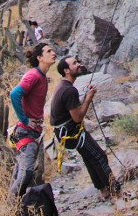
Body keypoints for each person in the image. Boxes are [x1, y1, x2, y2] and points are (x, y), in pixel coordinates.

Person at [50, 57, 121, 200]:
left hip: (66, 132)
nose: (79, 65)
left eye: (77, 62)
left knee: (90, 157)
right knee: (99, 156)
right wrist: (88, 98)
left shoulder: (63, 86)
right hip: (71, 133)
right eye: (74, 64)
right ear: (66, 71)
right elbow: (77, 117)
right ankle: (116, 192)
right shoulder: (69, 91)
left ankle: (103, 190)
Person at [8, 41, 55, 197]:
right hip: (26, 131)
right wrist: (25, 120)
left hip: (31, 132)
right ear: (40, 58)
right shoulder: (34, 75)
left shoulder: (41, 76)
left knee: (20, 173)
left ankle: (13, 205)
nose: (53, 53)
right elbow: (14, 94)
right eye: (48, 51)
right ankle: (10, 207)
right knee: (26, 173)